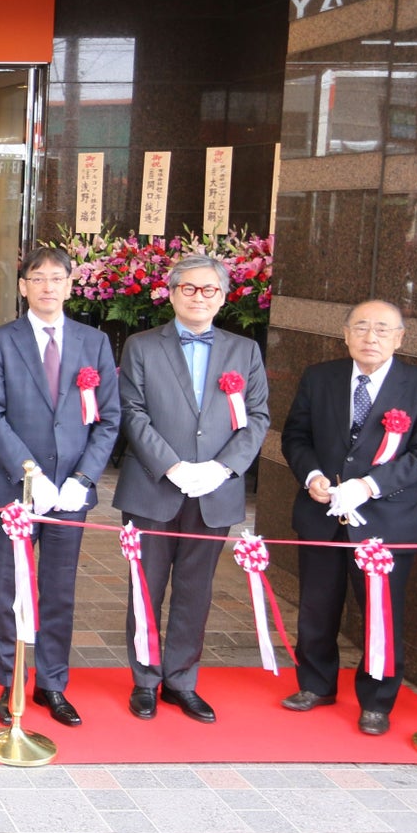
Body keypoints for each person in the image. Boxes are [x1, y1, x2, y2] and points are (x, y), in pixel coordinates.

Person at [280, 299, 417, 735]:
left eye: (381, 329)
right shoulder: (320, 378)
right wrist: (312, 474)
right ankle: (316, 685)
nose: (370, 337)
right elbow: (296, 435)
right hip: (321, 515)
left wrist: (368, 485)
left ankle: (377, 701)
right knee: (316, 608)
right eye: (361, 327)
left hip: (384, 520)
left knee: (381, 612)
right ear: (345, 333)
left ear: (399, 338)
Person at [112, 254, 269, 724]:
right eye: (189, 289)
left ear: (223, 297)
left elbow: (257, 417)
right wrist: (172, 466)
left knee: (195, 590)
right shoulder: (141, 345)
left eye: (209, 290)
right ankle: (144, 678)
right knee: (146, 587)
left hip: (215, 492)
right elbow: (132, 411)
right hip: (154, 488)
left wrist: (223, 469)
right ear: (172, 292)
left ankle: (182, 679)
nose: (199, 297)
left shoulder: (245, 351)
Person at [0, 247, 120, 729]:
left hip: (71, 492)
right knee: (10, 589)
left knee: (59, 589)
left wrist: (84, 479)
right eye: (37, 279)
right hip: (16, 488)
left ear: (70, 285)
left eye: (56, 278)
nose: (47, 287)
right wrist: (28, 472)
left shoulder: (94, 342)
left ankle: (53, 683)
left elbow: (108, 418)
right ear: (23, 287)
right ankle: (9, 680)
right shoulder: (0, 342)